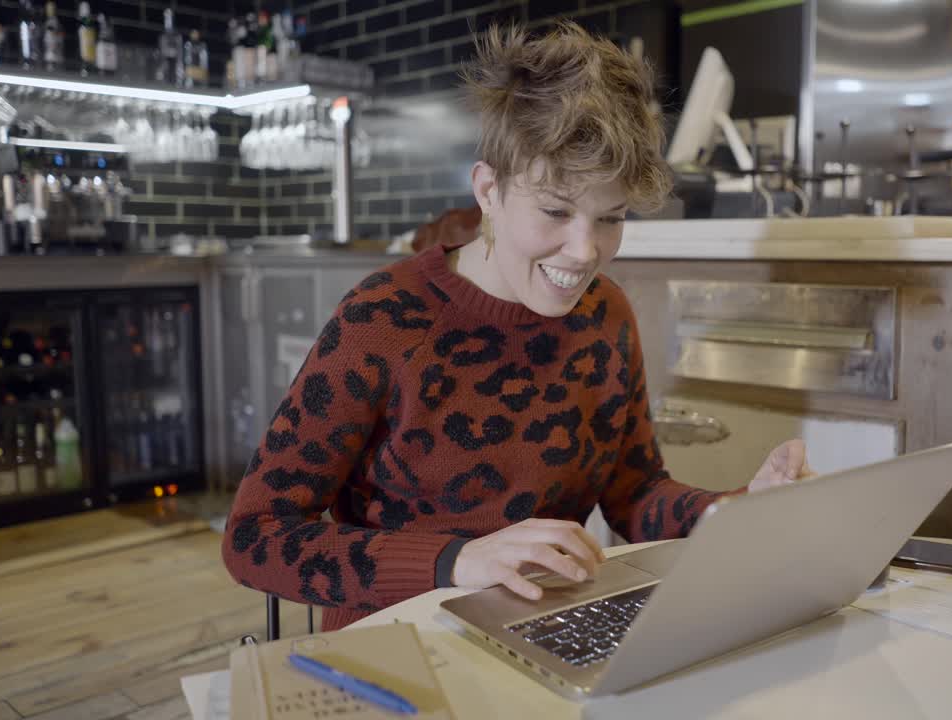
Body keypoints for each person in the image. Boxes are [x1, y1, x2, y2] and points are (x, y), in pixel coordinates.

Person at [222, 21, 814, 632]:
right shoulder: (383, 319)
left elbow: (636, 498)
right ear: (489, 190)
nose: (585, 251)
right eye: (556, 210)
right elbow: (254, 539)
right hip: (395, 643)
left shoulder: (604, 314)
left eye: (609, 218)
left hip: (546, 627)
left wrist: (741, 510)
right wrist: (456, 561)